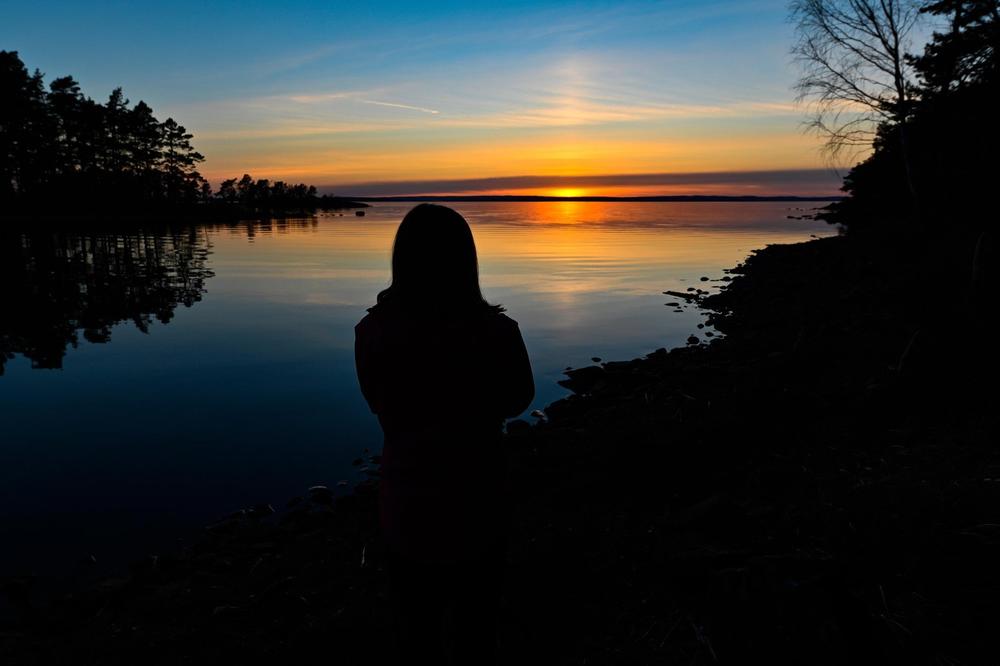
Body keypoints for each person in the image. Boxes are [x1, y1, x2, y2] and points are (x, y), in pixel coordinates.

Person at [354, 203, 534, 664]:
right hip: (479, 495)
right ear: (466, 259)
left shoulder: (372, 331)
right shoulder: (498, 331)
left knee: (417, 630)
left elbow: (376, 400)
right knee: (477, 628)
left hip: (406, 499)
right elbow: (519, 399)